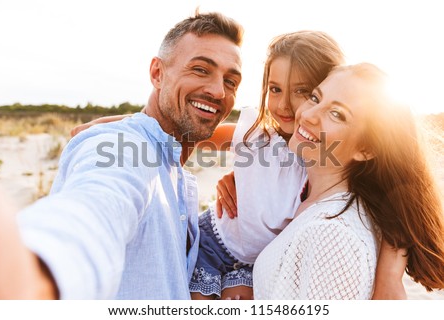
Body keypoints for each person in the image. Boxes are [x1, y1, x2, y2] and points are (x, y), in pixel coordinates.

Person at [72, 32, 410, 300]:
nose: (286, 105)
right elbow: (184, 134)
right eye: (275, 89)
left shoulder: (320, 158)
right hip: (215, 241)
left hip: (252, 262)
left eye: (305, 93)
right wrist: (113, 127)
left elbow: (393, 195)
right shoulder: (257, 135)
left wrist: (389, 276)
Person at [0, 9, 244, 299]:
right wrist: (37, 272)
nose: (218, 91)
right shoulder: (124, 148)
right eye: (200, 69)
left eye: (231, 82)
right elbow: (99, 202)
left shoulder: (171, 162)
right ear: (157, 73)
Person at [252, 63, 444, 299]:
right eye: (315, 98)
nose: (308, 115)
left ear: (366, 149)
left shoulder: (332, 234)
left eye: (337, 114)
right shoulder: (310, 198)